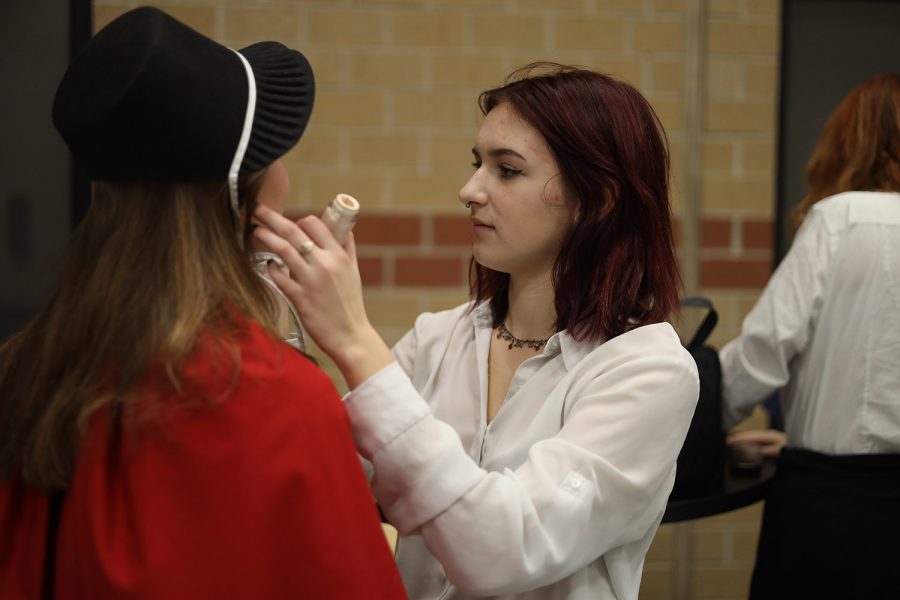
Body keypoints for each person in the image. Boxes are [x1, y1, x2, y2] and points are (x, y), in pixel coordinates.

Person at [0, 7, 406, 599]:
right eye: (277, 157)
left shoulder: (26, 372)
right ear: (243, 196)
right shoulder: (278, 397)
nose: (287, 178)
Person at [254, 63, 699, 600]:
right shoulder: (437, 340)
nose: (469, 190)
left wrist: (353, 338)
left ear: (598, 197)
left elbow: (506, 551)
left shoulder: (647, 370)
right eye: (476, 164)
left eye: (506, 171)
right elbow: (323, 482)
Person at [718, 72, 900, 599]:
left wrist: (693, 419)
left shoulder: (842, 217)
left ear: (849, 142)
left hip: (835, 510)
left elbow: (764, 353)